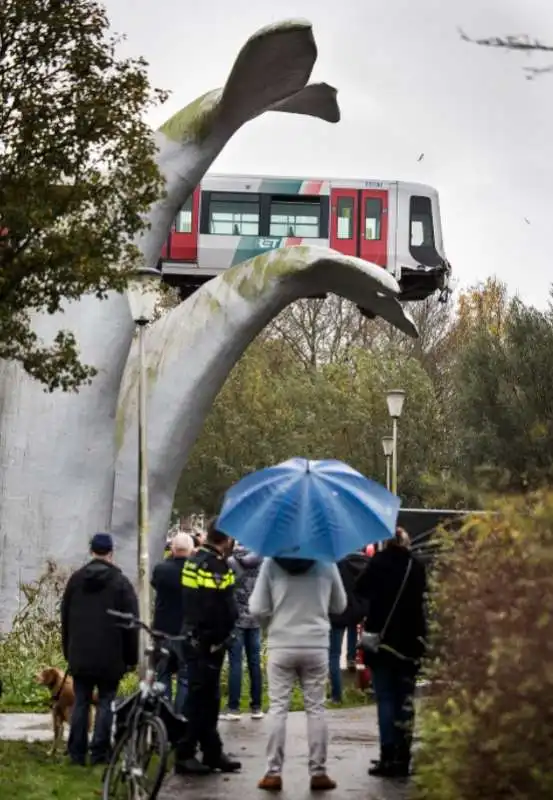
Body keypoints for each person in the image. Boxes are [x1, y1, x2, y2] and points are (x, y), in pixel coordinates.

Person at [249, 556, 347, 793]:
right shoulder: (327, 563)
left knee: (278, 708)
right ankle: (319, 772)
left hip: (281, 644)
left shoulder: (272, 564)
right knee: (316, 709)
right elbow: (339, 606)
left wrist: (270, 623)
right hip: (316, 644)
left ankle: (273, 773)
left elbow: (257, 608)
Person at [61, 533, 138, 766]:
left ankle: (76, 752)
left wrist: (69, 651)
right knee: (106, 702)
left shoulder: (75, 580)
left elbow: (65, 618)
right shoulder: (121, 583)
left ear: (91, 550)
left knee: (81, 701)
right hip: (111, 655)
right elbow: (131, 623)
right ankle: (100, 752)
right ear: (111, 553)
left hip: (80, 653)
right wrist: (131, 657)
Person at [356, 528, 427, 779]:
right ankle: (403, 757)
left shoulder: (377, 563)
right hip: (410, 642)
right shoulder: (416, 566)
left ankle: (387, 756)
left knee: (385, 698)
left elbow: (360, 589)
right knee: (405, 700)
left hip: (382, 641)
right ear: (406, 541)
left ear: (385, 542)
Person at [174, 518, 241, 776]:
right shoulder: (215, 566)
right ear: (226, 539)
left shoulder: (194, 559)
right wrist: (220, 637)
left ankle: (212, 750)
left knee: (206, 698)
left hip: (192, 636)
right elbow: (220, 607)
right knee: (202, 700)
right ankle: (186, 751)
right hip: (208, 642)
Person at [151, 532, 194, 714]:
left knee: (163, 674)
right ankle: (180, 716)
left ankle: (164, 716)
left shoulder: (161, 569)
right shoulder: (194, 571)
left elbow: (154, 584)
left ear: (172, 549)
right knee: (185, 678)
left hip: (163, 630)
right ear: (191, 550)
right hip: (185, 631)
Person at [221, 542, 264, 721]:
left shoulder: (230, 562)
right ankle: (257, 707)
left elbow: (225, 588)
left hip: (236, 618)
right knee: (255, 662)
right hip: (255, 618)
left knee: (235, 663)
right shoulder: (262, 561)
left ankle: (233, 708)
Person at [328, 551, 371, 703]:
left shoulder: (335, 564)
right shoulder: (359, 562)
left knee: (333, 654)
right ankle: (352, 657)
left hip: (337, 613)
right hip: (354, 608)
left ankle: (336, 696)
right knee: (353, 628)